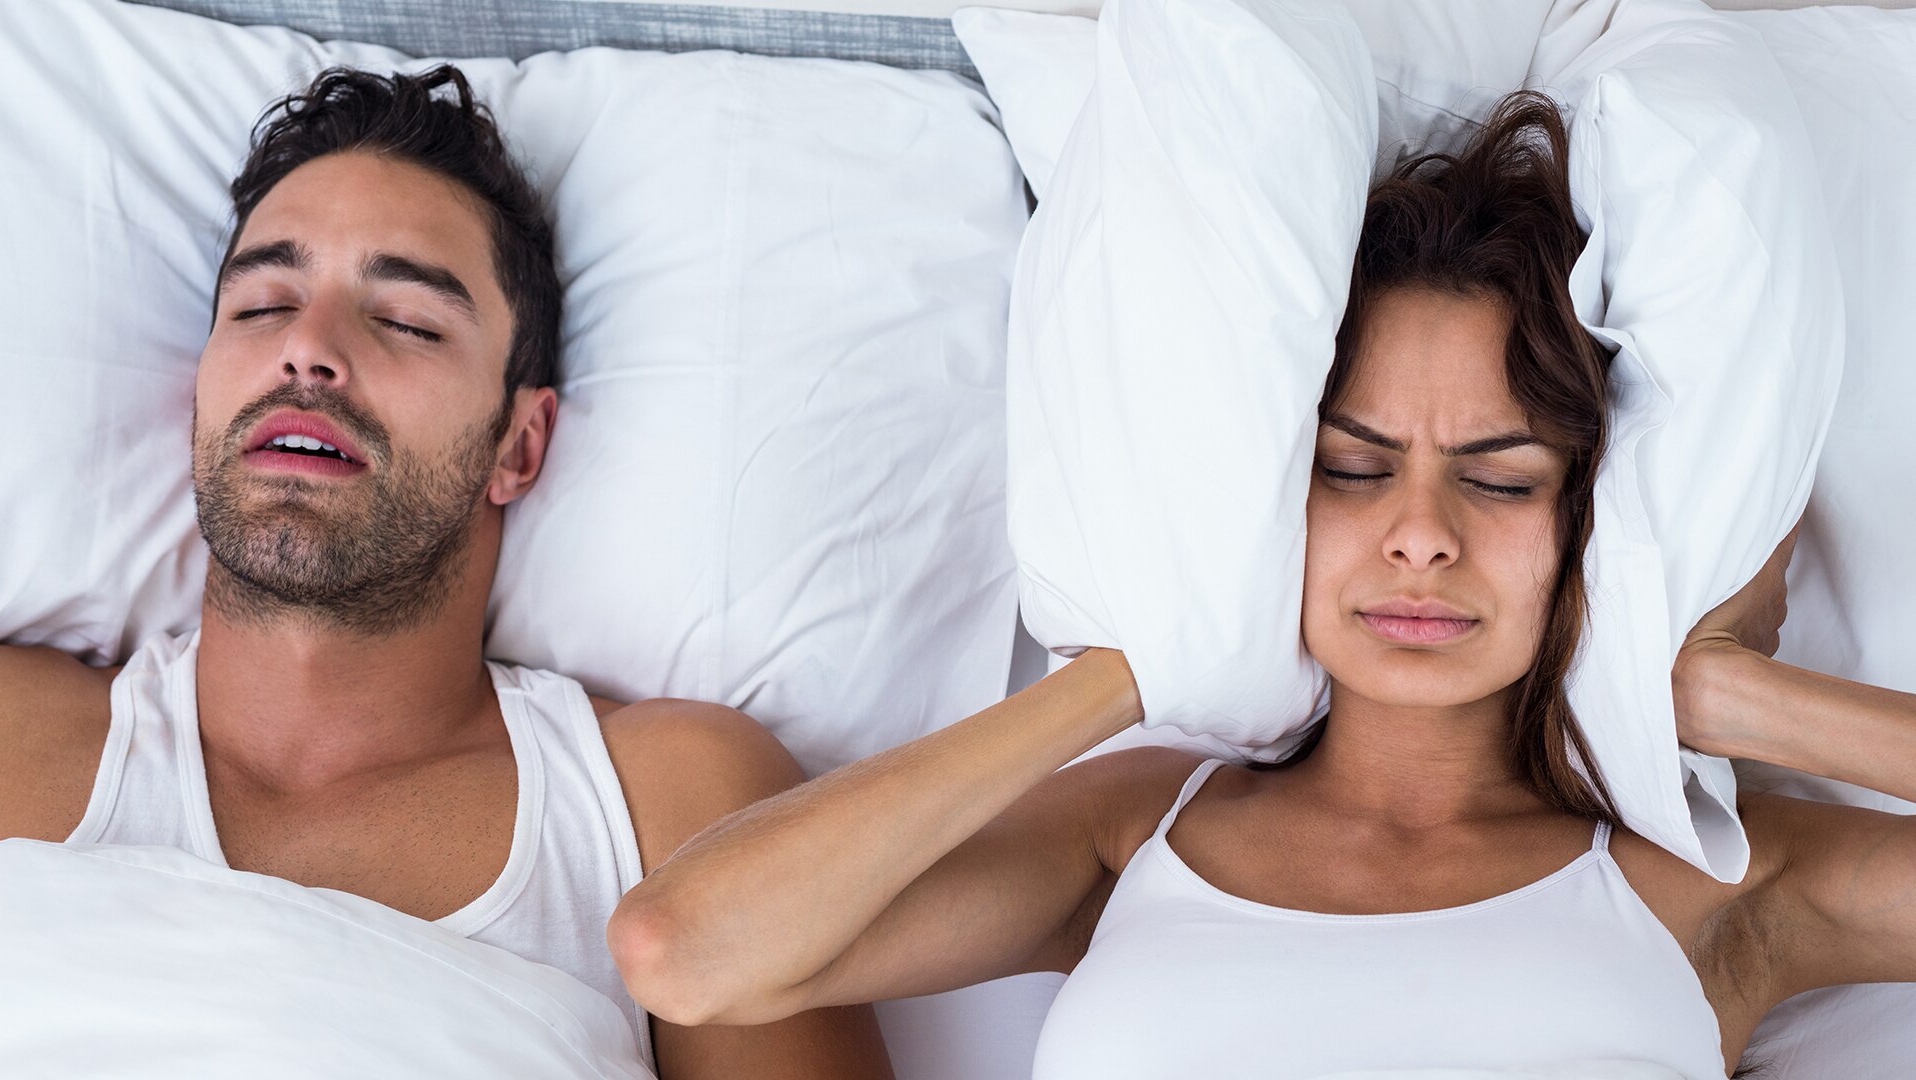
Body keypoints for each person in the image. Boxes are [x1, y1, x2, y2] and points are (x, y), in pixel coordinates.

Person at [607, 93, 1916, 1078]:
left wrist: (1731, 699)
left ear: (1588, 525)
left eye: (1502, 479)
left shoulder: (1710, 886)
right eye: (1353, 469)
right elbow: (686, 949)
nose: (1421, 535)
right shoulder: (1138, 832)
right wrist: (1127, 679)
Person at [0, 65, 891, 1080]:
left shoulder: (663, 810)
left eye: (409, 322)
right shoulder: (9, 738)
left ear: (517, 444)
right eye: (261, 305)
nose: (308, 348)